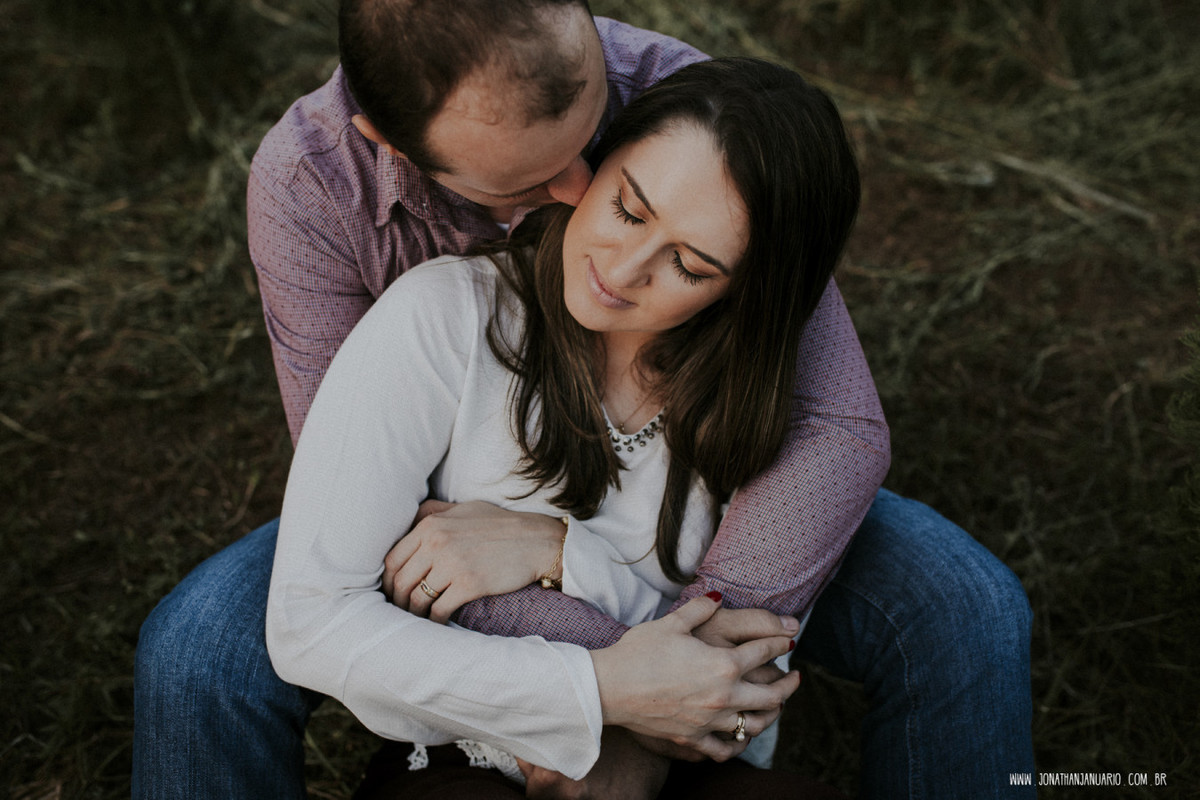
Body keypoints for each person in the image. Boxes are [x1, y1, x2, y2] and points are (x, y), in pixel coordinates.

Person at [132, 1, 1035, 797]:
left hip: (688, 479)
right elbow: (377, 515)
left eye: (592, 148)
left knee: (960, 601)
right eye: (528, 182)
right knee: (201, 649)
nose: (571, 195)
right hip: (443, 498)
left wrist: (679, 682)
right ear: (396, 146)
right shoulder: (313, 191)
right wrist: (614, 691)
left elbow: (831, 420)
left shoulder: (683, 101)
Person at [267, 55, 857, 798]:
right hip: (470, 759)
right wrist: (593, 695)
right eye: (628, 207)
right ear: (595, 162)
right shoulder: (444, 316)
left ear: (749, 291)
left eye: (689, 263)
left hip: (681, 768)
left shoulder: (768, 412)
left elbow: (741, 690)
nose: (625, 266)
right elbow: (311, 625)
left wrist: (562, 553)